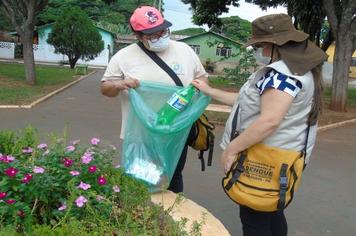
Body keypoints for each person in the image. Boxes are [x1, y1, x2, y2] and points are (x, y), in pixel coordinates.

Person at [191, 14, 327, 236]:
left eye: (261, 45)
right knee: (271, 210)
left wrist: (231, 150)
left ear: (275, 45)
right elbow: (251, 105)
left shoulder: (281, 76)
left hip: (264, 159)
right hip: (281, 157)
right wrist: (210, 91)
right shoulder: (297, 71)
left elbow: (268, 121)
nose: (258, 51)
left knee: (254, 216)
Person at [100, 6, 208, 193]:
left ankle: (172, 217)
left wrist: (197, 89)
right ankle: (146, 218)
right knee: (144, 180)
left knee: (173, 174)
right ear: (138, 36)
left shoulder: (185, 50)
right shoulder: (124, 57)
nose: (160, 37)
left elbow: (203, 79)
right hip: (141, 135)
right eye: (153, 35)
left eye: (163, 31)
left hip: (176, 132)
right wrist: (120, 84)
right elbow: (105, 89)